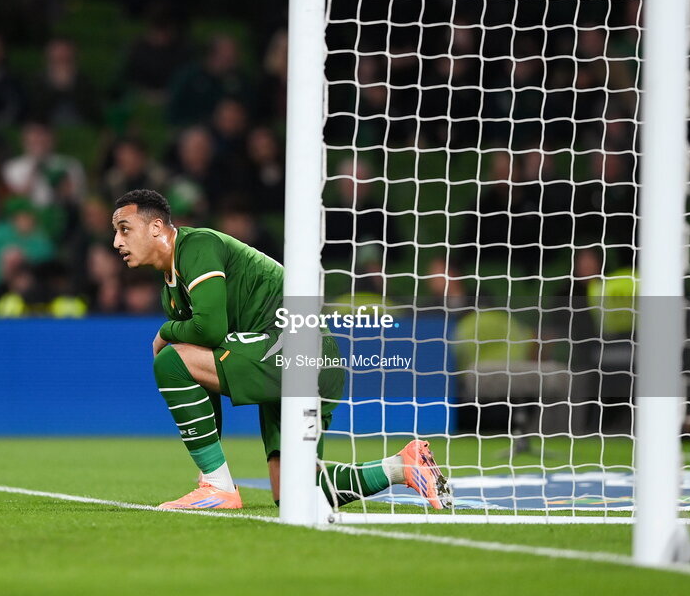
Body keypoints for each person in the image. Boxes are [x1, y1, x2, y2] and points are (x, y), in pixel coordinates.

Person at [111, 188, 452, 510]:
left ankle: (218, 486)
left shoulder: (197, 245)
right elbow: (197, 368)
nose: (117, 242)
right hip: (292, 357)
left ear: (156, 227)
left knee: (171, 359)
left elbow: (210, 330)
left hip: (298, 346)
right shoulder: (171, 290)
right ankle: (403, 467)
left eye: (125, 229)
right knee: (294, 492)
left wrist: (165, 331)